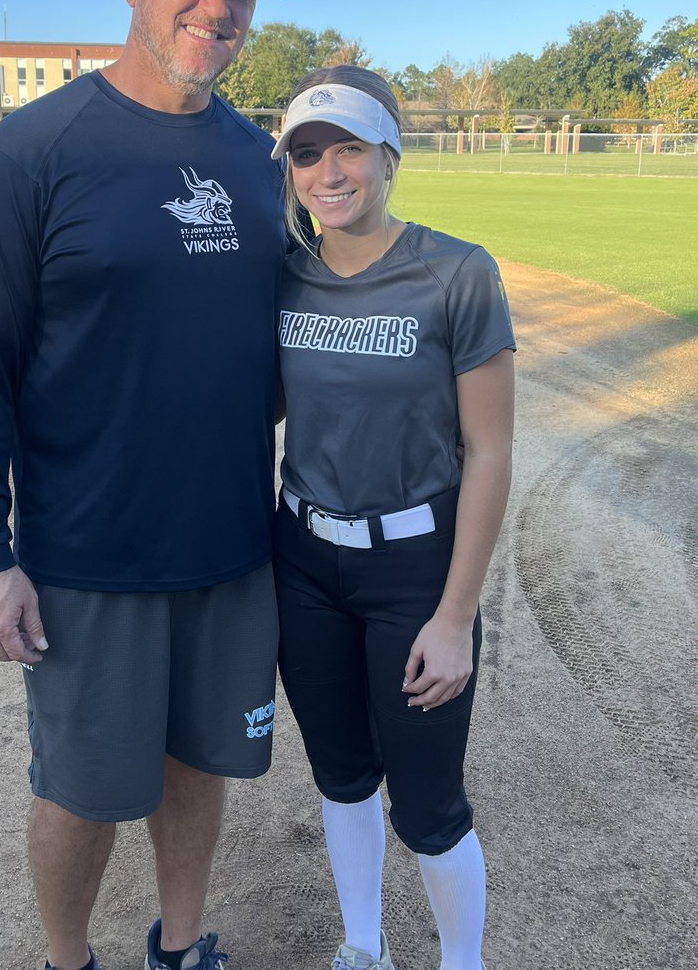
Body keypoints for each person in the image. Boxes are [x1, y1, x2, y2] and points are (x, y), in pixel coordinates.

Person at [0, 0, 288, 970]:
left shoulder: (259, 160)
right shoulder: (31, 151)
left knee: (198, 768)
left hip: (230, 545)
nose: (216, 4)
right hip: (90, 551)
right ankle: (66, 958)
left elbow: (282, 343)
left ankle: (182, 945)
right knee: (85, 789)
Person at [270, 66, 515, 970]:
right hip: (304, 563)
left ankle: (462, 961)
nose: (328, 172)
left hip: (414, 571)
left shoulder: (457, 272)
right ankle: (362, 945)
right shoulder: (284, 276)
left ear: (389, 156)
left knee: (425, 804)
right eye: (307, 155)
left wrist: (455, 619)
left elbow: (489, 453)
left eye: (347, 150)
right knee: (340, 776)